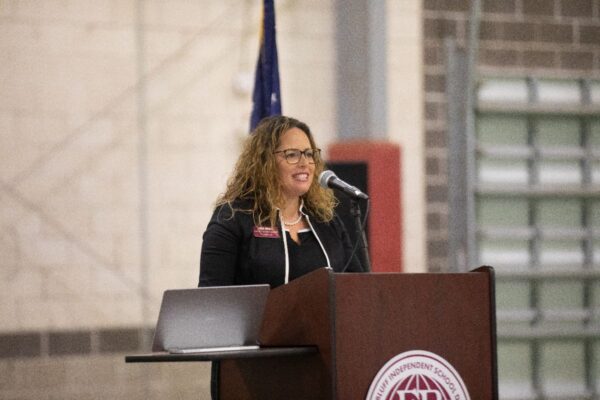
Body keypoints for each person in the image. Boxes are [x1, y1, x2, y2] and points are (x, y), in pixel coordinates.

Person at [198, 115, 363, 399]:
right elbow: (212, 301)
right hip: (254, 374)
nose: (305, 163)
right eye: (292, 154)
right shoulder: (234, 218)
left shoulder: (328, 224)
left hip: (323, 370)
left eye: (310, 154)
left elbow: (358, 289)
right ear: (264, 161)